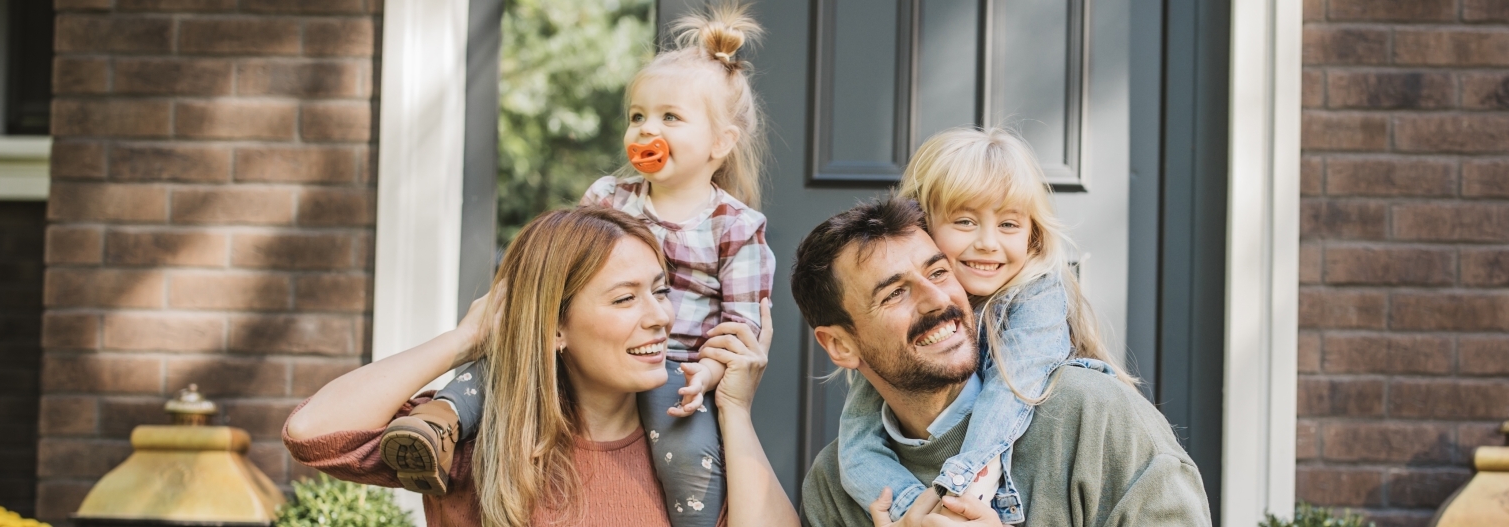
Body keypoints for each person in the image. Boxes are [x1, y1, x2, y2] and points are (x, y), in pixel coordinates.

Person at [380, 5, 776, 526]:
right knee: (498, 365)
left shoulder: (737, 225)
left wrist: (709, 372)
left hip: (676, 367)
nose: (645, 129)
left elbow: (741, 322)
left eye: (669, 118)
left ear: (721, 143)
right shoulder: (608, 197)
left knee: (691, 460)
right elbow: (569, 261)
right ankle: (437, 424)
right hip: (590, 351)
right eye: (637, 116)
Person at [283, 208, 797, 527]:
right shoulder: (464, 445)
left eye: (660, 292)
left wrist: (734, 411)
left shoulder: (695, 451)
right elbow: (312, 432)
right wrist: (466, 339)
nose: (661, 317)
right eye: (625, 300)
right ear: (556, 329)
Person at [792, 198, 1212, 526]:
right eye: (894, 293)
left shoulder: (1094, 416)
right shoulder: (834, 486)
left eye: (938, 272)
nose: (938, 299)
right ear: (840, 345)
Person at [836, 128, 1139, 524]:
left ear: (1032, 235)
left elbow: (1011, 391)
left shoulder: (1036, 296)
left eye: (1009, 225)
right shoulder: (901, 331)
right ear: (919, 225)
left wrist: (956, 492)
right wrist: (910, 509)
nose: (988, 243)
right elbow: (856, 441)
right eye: (964, 221)